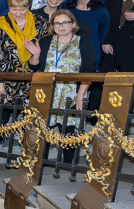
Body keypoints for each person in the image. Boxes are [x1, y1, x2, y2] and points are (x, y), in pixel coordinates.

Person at [34, 10, 93, 159]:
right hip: (48, 92)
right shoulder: (45, 41)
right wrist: (35, 55)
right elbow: (35, 68)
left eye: (65, 22)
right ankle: (40, 163)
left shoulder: (83, 43)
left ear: (73, 24)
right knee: (43, 130)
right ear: (52, 26)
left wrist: (81, 94)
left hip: (71, 93)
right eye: (57, 23)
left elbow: (89, 71)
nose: (61, 26)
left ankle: (67, 164)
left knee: (68, 132)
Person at [0, 0, 49, 110]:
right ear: (8, 7)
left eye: (23, 9)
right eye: (14, 9)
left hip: (34, 74)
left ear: (28, 7)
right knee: (3, 116)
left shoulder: (40, 22)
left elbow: (48, 47)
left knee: (32, 115)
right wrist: (0, 84)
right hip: (7, 76)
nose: (18, 13)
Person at [63, 0, 110, 70]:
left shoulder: (101, 10)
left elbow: (103, 33)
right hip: (68, 51)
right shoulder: (67, 7)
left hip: (91, 52)